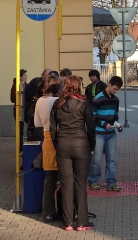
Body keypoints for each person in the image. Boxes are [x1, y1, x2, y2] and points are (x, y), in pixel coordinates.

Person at [50, 75, 95, 231]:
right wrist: (92, 146)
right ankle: (82, 222)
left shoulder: (58, 103)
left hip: (63, 146)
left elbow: (52, 128)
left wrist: (58, 145)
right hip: (81, 146)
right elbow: (91, 126)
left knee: (66, 185)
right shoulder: (84, 102)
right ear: (78, 86)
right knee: (80, 185)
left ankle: (67, 222)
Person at [33, 75, 62, 222]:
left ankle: (48, 211)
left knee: (50, 178)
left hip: (46, 138)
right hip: (60, 138)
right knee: (65, 177)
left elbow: (37, 123)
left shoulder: (39, 101)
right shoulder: (57, 101)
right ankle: (66, 210)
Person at [87, 76, 123, 192]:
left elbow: (115, 115)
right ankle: (93, 180)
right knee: (96, 159)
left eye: (117, 90)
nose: (115, 91)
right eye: (114, 88)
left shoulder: (116, 100)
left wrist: (117, 125)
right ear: (109, 84)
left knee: (112, 159)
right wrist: (103, 123)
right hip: (99, 133)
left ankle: (111, 182)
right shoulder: (98, 99)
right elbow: (92, 116)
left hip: (111, 133)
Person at [10, 69, 29, 154]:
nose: (26, 77)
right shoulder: (15, 86)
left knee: (28, 128)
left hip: (26, 109)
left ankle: (28, 146)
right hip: (18, 110)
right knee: (20, 130)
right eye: (25, 75)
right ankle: (20, 148)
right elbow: (12, 99)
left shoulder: (27, 85)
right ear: (20, 77)